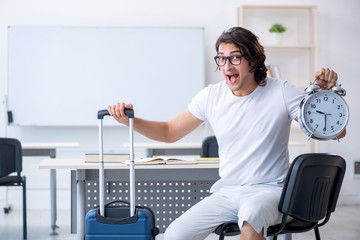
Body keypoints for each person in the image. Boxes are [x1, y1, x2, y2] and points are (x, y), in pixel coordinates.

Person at [107, 27, 345, 240]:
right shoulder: (211, 96)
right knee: (175, 235)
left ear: (252, 60)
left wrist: (323, 96)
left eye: (234, 58)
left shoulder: (281, 92)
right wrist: (130, 121)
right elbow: (169, 132)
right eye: (221, 59)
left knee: (251, 218)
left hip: (269, 191)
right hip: (227, 192)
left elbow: (337, 131)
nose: (227, 66)